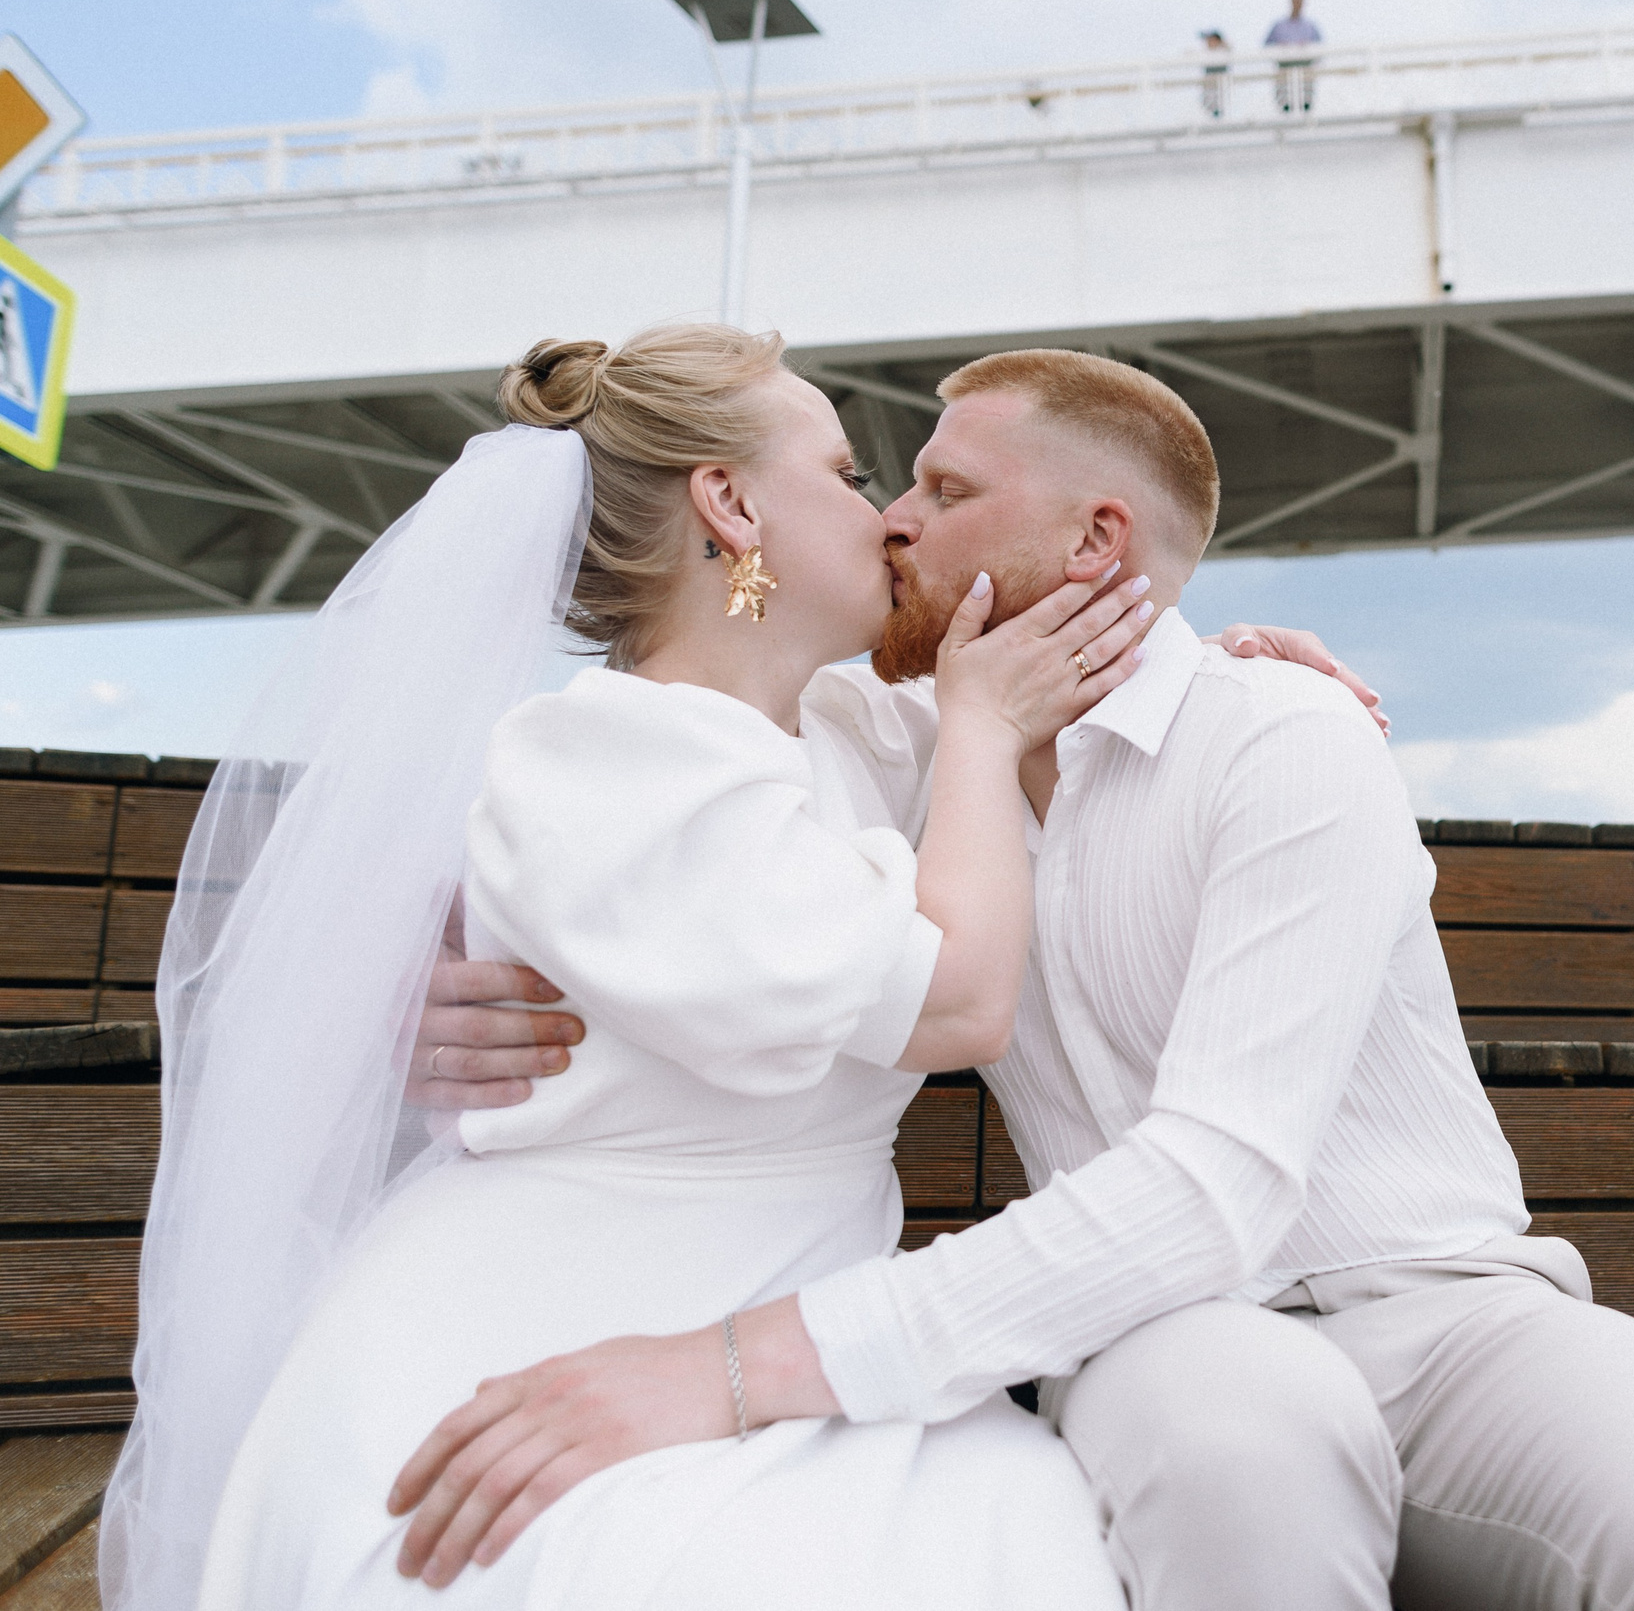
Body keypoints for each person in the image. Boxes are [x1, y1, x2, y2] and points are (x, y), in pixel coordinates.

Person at [398, 350, 1634, 1611]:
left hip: (1447, 1311)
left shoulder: (1283, 738)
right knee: (1249, 1455)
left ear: (1096, 542)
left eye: (944, 491)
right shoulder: (894, 737)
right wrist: (438, 979)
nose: (897, 525)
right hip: (1149, 1331)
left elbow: (1219, 1181)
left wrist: (738, 1365)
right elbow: (645, 775)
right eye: (889, 482)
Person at [101, 324, 1371, 1611]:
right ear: (731, 502)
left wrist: (1218, 676)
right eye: (843, 468)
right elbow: (961, 997)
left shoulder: (848, 729)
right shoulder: (601, 757)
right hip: (556, 1307)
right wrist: (987, 730)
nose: (886, 516)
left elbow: (1056, 681)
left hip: (789, 1312)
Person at [1265, 0, 1320, 113]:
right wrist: (1280, 48)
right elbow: (1266, 47)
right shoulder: (1279, 26)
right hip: (1285, 74)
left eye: (1300, 1)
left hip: (1305, 74)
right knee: (1285, 107)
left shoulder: (1310, 26)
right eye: (1295, 1)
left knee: (1306, 105)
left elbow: (1320, 48)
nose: (1298, 4)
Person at [1196, 28, 1230, 119]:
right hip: (1209, 87)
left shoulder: (1223, 52)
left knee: (1219, 103)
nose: (1208, 42)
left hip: (1220, 86)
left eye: (1210, 39)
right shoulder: (1206, 53)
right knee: (1209, 105)